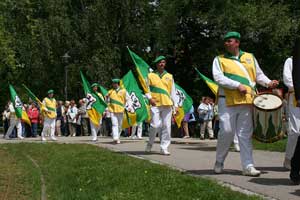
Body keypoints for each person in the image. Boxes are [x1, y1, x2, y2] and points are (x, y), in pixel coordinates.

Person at [212, 31, 278, 176]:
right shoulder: (219, 59)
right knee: (227, 132)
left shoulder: (249, 57)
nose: (226, 43)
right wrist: (237, 85)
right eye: (226, 41)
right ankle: (219, 160)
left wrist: (268, 83)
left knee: (245, 134)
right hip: (226, 100)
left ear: (237, 43)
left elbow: (258, 75)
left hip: (247, 100)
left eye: (230, 41)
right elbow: (218, 78)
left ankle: (248, 166)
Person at [145, 55, 178, 155]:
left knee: (167, 126)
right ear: (156, 64)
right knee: (154, 125)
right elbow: (146, 89)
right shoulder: (150, 75)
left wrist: (175, 105)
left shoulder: (169, 76)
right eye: (160, 62)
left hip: (167, 103)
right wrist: (150, 98)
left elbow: (173, 91)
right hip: (155, 103)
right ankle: (150, 144)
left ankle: (164, 147)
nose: (161, 64)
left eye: (163, 62)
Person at [107, 79, 127, 144]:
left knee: (120, 125)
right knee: (114, 124)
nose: (114, 84)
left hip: (120, 110)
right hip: (112, 110)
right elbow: (107, 101)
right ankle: (115, 138)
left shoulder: (123, 91)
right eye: (113, 83)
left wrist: (126, 107)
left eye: (115, 83)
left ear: (118, 84)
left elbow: (128, 99)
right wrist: (106, 98)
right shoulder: (110, 91)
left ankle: (117, 137)